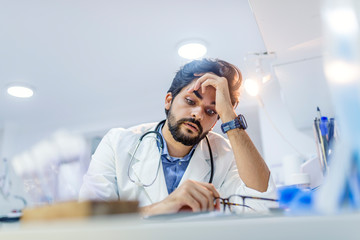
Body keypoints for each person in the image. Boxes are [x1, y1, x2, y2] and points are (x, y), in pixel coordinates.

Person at [79, 58, 277, 216]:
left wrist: (229, 116)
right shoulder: (117, 143)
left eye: (211, 111)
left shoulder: (226, 154)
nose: (198, 114)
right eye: (190, 101)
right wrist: (161, 208)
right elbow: (90, 222)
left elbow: (261, 206)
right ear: (168, 100)